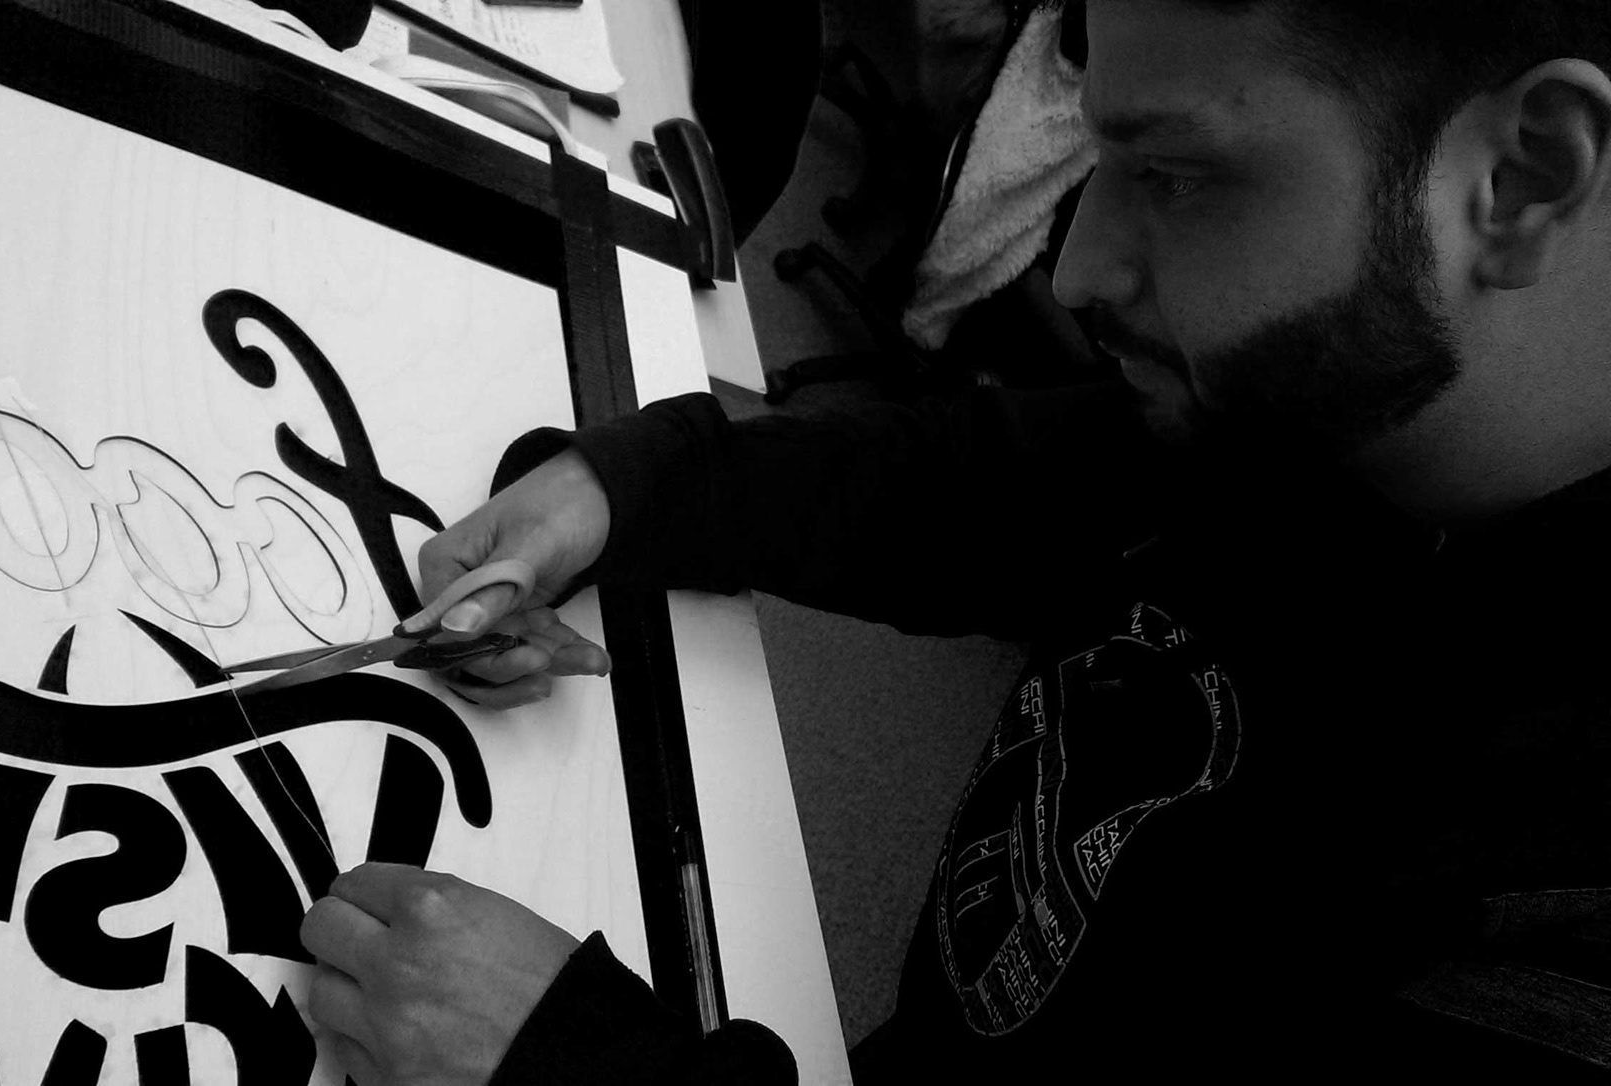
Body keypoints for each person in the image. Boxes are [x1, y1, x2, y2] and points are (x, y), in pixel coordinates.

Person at [295, 0, 1611, 1080]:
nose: (1076, 273)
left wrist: (576, 1066)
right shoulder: (1301, 402)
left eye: (1175, 175)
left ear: (1524, 177)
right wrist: (623, 489)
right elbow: (990, 484)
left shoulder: (1555, 936)